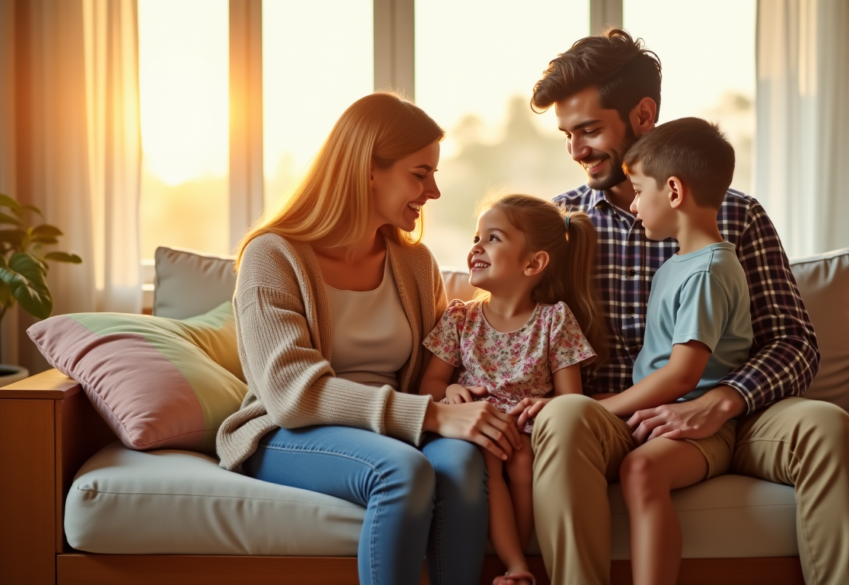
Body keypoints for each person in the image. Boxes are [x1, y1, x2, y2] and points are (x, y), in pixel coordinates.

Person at [514, 29, 849, 585]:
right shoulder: (557, 226)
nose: (576, 150)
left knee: (827, 426)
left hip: (737, 418)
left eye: (588, 130)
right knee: (563, 415)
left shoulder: (737, 216)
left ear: (642, 113)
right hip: (612, 420)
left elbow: (795, 344)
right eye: (567, 135)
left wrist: (725, 401)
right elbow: (523, 331)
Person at [215, 92, 525, 585]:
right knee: (402, 471)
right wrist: (434, 414)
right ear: (367, 170)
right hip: (288, 432)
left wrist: (454, 393)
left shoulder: (415, 263)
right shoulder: (272, 257)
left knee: (464, 462)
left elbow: (438, 366)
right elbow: (294, 395)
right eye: (420, 174)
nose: (434, 192)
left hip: (399, 423)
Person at [590, 117, 752, 584]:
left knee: (641, 470)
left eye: (639, 191)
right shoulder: (679, 262)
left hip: (700, 426)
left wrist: (608, 410)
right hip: (658, 412)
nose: (635, 205)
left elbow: (682, 376)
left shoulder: (707, 272)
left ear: (675, 192)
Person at [419, 194, 606, 585]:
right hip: (478, 425)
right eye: (476, 237)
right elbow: (432, 383)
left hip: (525, 427)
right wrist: (451, 391)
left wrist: (545, 404)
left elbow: (571, 400)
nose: (477, 247)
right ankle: (515, 563)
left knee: (520, 463)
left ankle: (516, 565)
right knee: (490, 458)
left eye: (493, 238)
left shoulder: (555, 319)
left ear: (533, 263)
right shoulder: (460, 318)